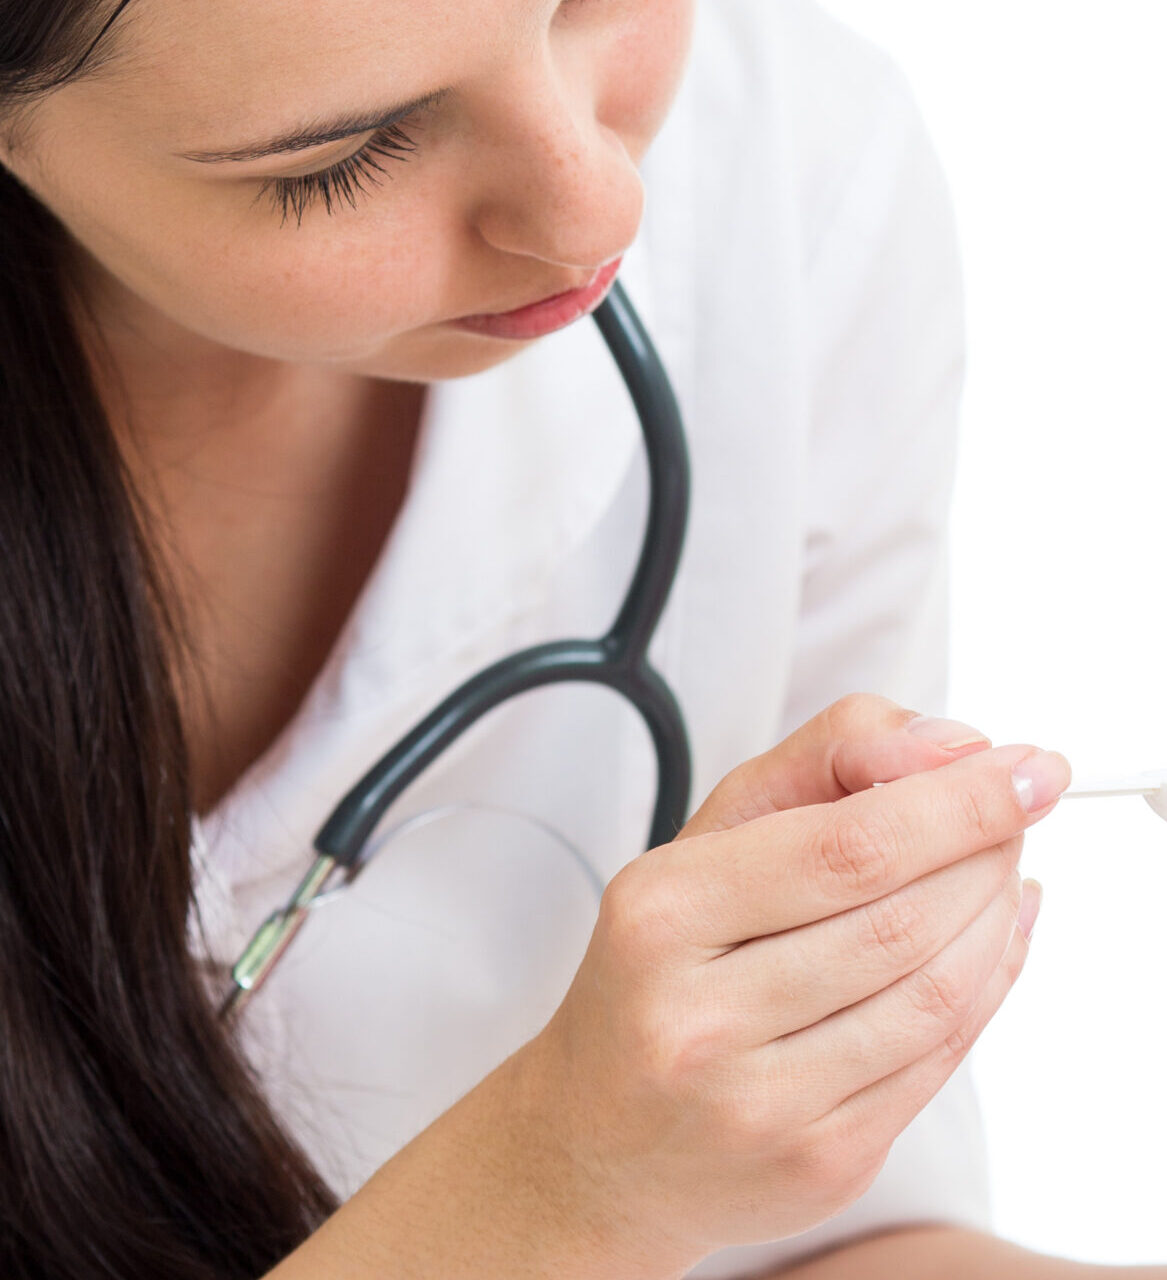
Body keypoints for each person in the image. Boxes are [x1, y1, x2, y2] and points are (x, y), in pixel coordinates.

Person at [0, 0, 1085, 1274]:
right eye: (343, 155)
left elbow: (814, 1237)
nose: (598, 212)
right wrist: (561, 1182)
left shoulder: (792, 166)